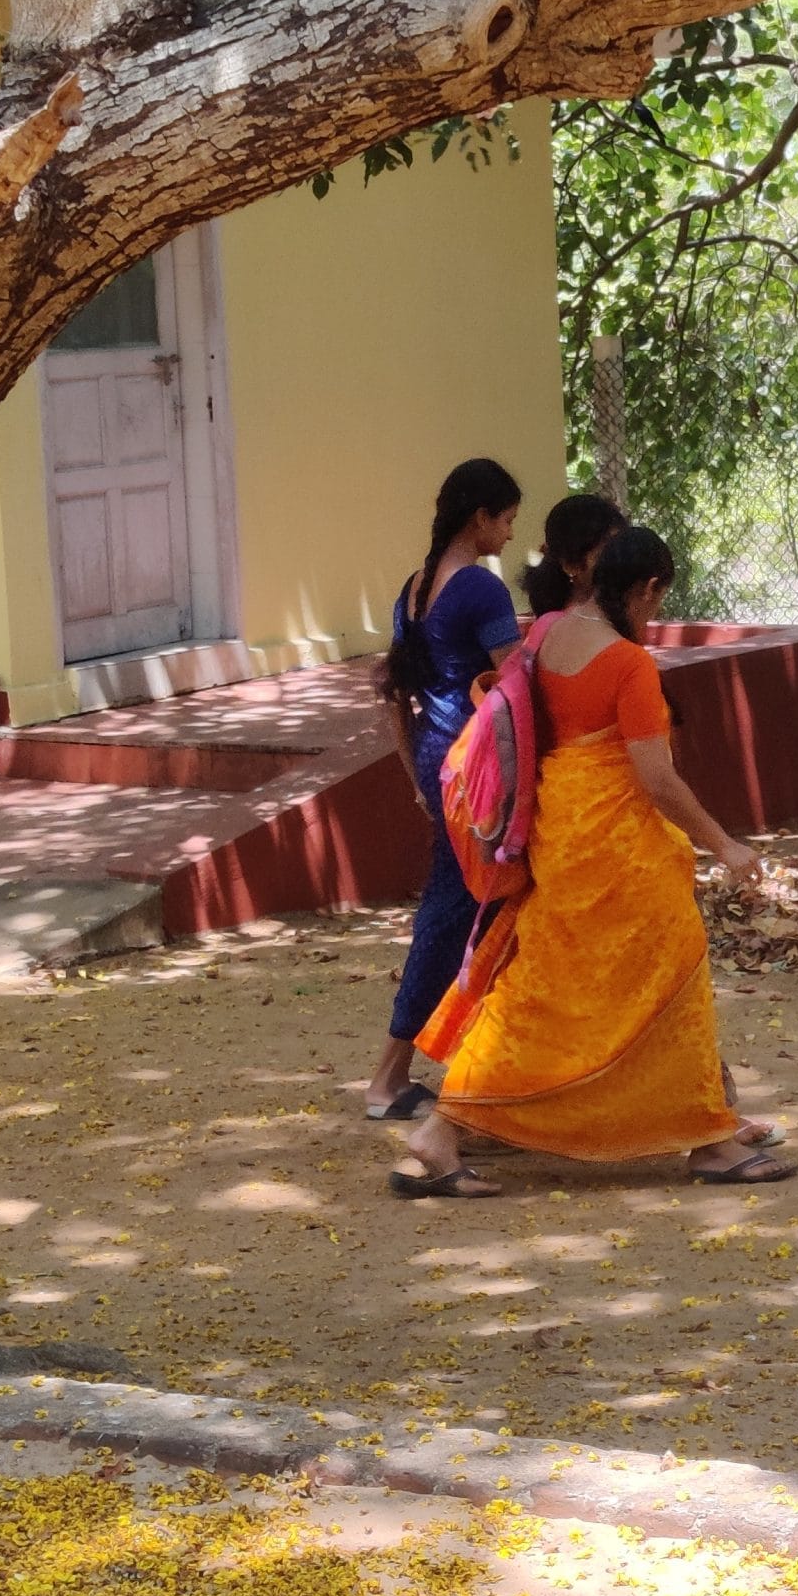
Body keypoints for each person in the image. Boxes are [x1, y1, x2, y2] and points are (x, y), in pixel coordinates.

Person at [393, 527, 794, 1194]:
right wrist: (724, 843)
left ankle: (446, 1130)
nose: (655, 613)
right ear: (646, 589)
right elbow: (657, 779)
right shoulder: (628, 664)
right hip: (620, 849)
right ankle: (709, 1142)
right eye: (658, 600)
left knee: (543, 989)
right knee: (672, 971)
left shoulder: (547, 633)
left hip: (558, 836)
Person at [367, 458, 524, 1120]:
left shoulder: (413, 590)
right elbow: (515, 693)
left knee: (467, 907)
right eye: (507, 520)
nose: (510, 534)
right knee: (459, 911)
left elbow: (394, 698)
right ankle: (391, 1077)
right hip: (480, 769)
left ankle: (473, 1067)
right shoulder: (481, 591)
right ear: (480, 518)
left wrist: (417, 781)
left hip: (440, 765)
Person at [520, 492, 628, 615]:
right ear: (571, 565)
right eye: (608, 556)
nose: (621, 563)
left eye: (623, 552)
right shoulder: (562, 622)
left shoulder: (613, 613)